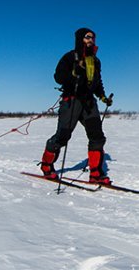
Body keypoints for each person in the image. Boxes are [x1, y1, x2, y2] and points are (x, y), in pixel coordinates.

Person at [39, 27, 114, 184]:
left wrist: (102, 97)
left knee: (97, 136)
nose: (91, 40)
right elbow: (58, 77)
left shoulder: (95, 60)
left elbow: (97, 82)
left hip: (88, 103)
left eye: (93, 38)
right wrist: (74, 73)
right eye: (87, 37)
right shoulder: (69, 57)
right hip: (72, 100)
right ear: (80, 39)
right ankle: (47, 165)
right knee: (63, 136)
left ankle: (95, 173)